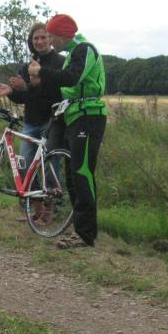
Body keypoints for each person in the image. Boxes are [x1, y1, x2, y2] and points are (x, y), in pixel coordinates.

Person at [29, 14, 106, 247]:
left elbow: (71, 79)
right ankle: (79, 230)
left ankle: (85, 234)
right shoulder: (73, 52)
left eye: (51, 36)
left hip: (89, 117)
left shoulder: (84, 49)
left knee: (82, 174)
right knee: (72, 176)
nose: (50, 42)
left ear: (62, 35)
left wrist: (42, 72)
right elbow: (65, 87)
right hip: (74, 115)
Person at [0, 21, 66, 221]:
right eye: (35, 38)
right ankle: (37, 208)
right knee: (24, 164)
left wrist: (29, 87)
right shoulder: (27, 66)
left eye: (43, 37)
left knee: (50, 166)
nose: (39, 41)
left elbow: (58, 94)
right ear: (31, 41)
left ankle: (50, 211)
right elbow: (24, 97)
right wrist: (11, 91)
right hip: (31, 121)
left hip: (52, 122)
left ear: (50, 39)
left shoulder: (60, 62)